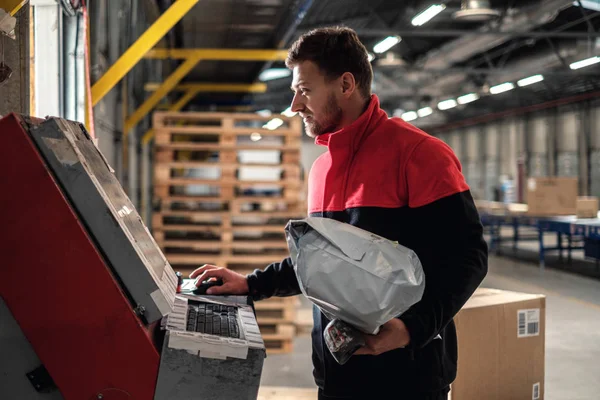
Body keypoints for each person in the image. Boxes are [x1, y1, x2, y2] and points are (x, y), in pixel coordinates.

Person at [190, 26, 488, 400]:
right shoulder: (322, 168)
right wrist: (252, 284)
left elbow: (469, 256)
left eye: (305, 90)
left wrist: (412, 328)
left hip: (409, 378)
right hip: (335, 376)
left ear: (346, 85)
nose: (296, 105)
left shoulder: (419, 155)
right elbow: (326, 264)